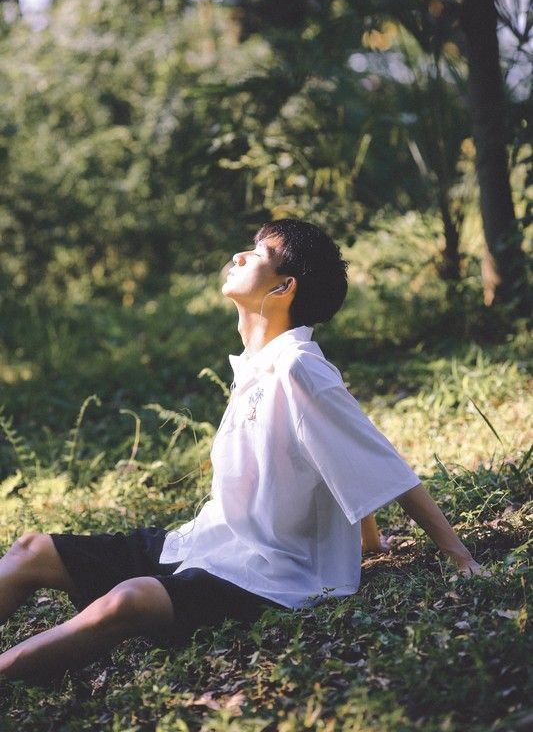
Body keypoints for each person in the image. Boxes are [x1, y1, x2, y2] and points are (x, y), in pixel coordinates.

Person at [0, 219, 484, 683]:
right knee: (31, 549)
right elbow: (335, 461)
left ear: (282, 288)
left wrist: (459, 555)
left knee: (130, 600)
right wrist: (369, 539)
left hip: (274, 576)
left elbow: (380, 464)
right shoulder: (258, 365)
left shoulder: (299, 368)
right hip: (205, 544)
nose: (239, 255)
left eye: (257, 255)